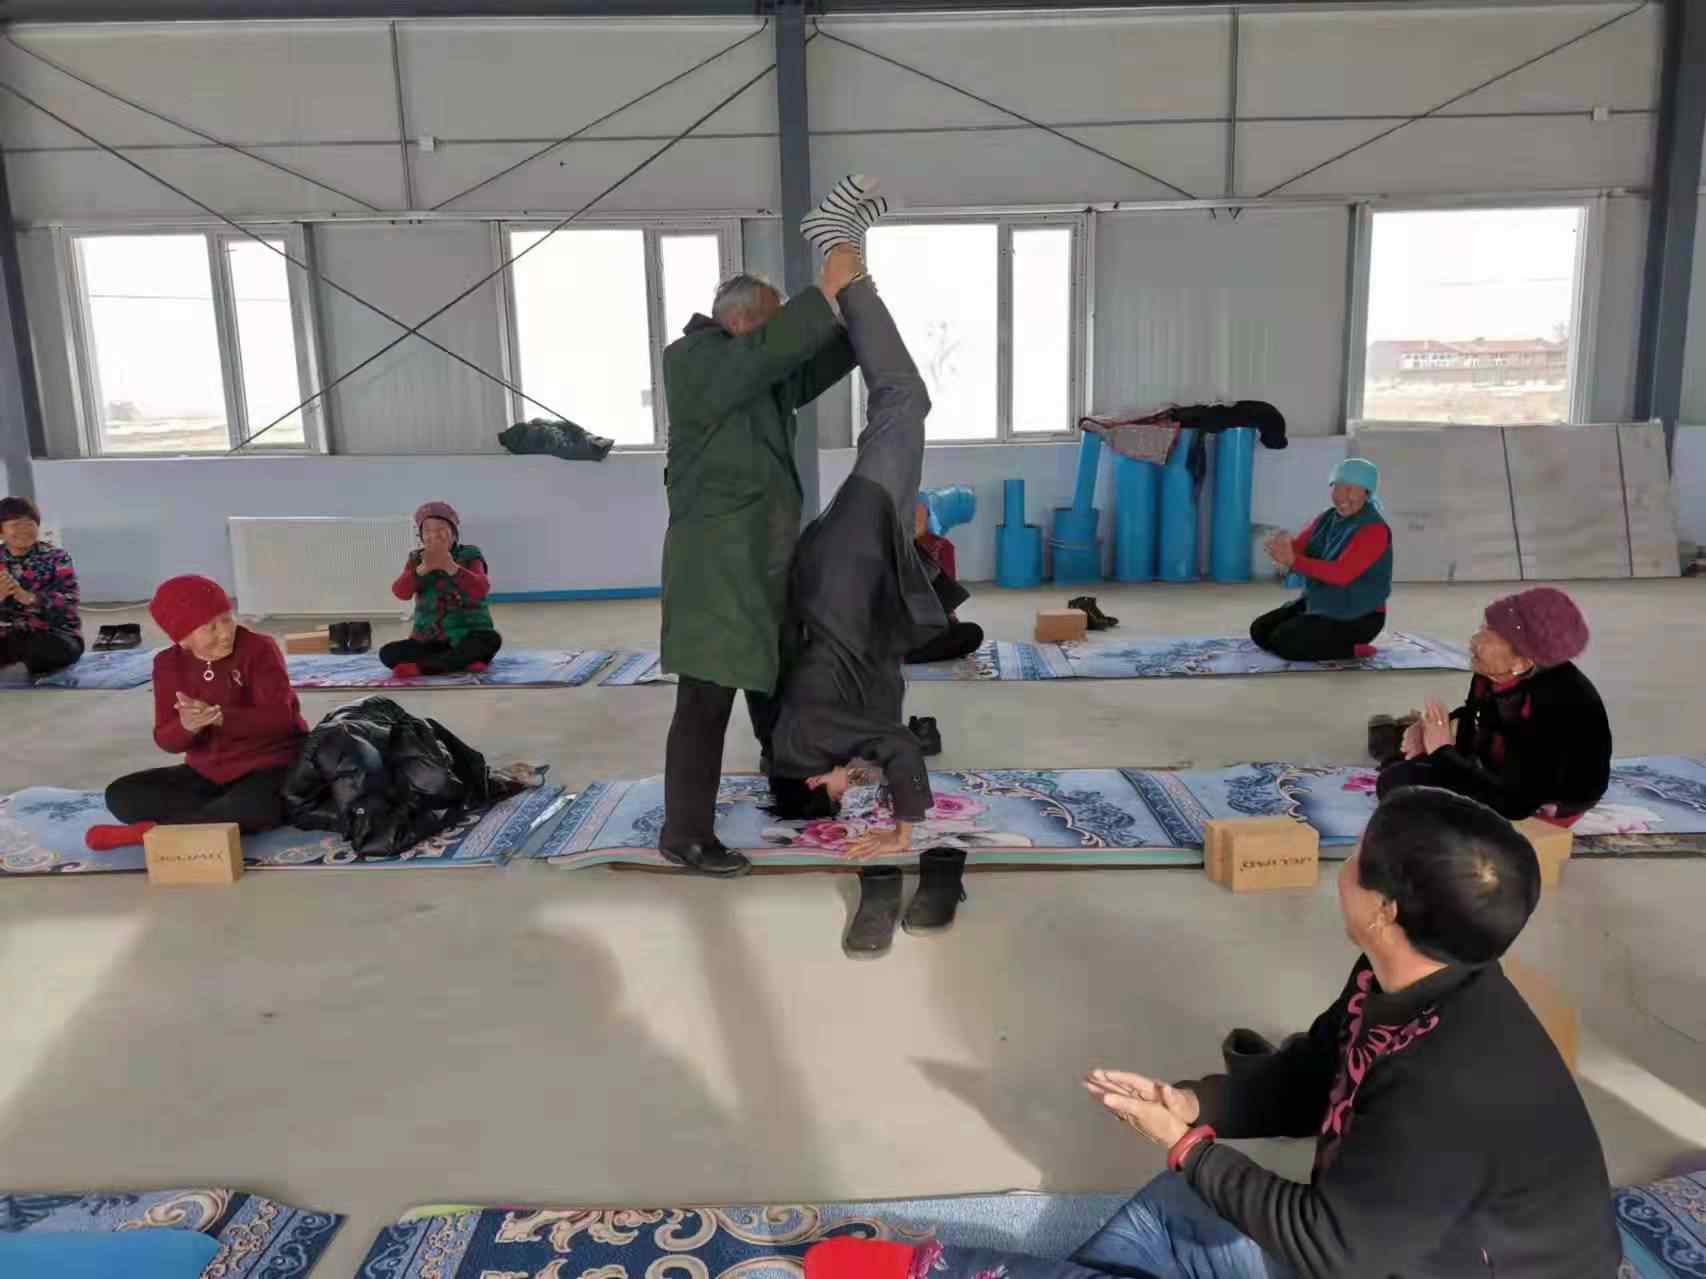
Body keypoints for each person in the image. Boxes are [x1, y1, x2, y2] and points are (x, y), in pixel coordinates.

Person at [1068, 785, 1618, 1279]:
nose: (1345, 865)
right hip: (1388, 1243)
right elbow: (1315, 1074)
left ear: (1384, 911)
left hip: (1396, 1260)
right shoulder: (1414, 972)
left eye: (1357, 856)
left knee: (1170, 1219)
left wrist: (1187, 1147)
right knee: (1170, 1210)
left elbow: (1331, 1248)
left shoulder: (1446, 1079)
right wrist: (1192, 1103)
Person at [656, 177, 875, 877]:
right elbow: (779, 352)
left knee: (777, 688)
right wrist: (826, 285)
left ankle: (794, 790)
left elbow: (813, 359)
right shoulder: (693, 363)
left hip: (763, 566)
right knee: (705, 702)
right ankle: (685, 833)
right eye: (773, 324)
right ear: (744, 323)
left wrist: (856, 295)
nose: (779, 338)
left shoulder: (754, 377)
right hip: (717, 573)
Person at [764, 192, 951, 865]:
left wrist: (904, 825)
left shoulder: (811, 739)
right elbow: (878, 738)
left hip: (846, 567)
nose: (852, 793)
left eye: (840, 794)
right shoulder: (805, 743)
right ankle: (849, 254)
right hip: (848, 576)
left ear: (814, 779)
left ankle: (843, 258)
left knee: (904, 401)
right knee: (900, 408)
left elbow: (898, 745)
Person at [86, 575, 308, 850]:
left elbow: (282, 721)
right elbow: (166, 740)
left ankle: (153, 835)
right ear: (182, 638)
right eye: (210, 628)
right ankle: (210, 819)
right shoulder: (167, 664)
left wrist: (222, 717)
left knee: (252, 807)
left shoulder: (259, 648)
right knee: (121, 795)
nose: (225, 633)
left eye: (227, 619)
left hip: (272, 766)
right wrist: (187, 726)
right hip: (207, 774)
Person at [1375, 587, 1611, 823]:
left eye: (1489, 635)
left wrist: (1441, 751)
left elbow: (1516, 804)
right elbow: (1477, 715)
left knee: (1398, 784)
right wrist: (1429, 729)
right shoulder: (1493, 674)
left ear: (1522, 661)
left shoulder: (1556, 705)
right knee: (1399, 765)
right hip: (1501, 771)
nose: (1474, 641)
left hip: (1535, 804)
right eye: (1482, 628)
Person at [1251, 457, 1392, 662]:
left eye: (1351, 489)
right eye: (1337, 488)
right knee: (1260, 631)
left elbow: (1342, 574)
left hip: (1359, 616)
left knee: (1285, 642)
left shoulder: (1374, 529)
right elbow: (1300, 546)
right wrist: (1282, 547)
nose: (1342, 496)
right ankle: (1318, 633)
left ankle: (1353, 648)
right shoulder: (1327, 517)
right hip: (1321, 602)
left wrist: (1294, 561)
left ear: (1367, 493)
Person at [380, 501, 501, 678]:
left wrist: (451, 566)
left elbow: (480, 589)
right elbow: (400, 592)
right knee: (388, 653)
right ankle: (461, 662)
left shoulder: (470, 554)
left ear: (454, 534)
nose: (434, 535)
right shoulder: (415, 559)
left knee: (490, 640)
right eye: (427, 530)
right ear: (421, 536)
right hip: (429, 640)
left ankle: (425, 668)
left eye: (441, 529)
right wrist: (422, 569)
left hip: (468, 636)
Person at [0, 495, 84, 678]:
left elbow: (70, 603)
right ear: (1, 531)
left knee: (42, 650)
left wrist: (32, 598)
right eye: (16, 525)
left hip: (52, 634)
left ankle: (25, 659)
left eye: (29, 524)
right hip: (7, 634)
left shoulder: (57, 557)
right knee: (14, 642)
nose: (24, 530)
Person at [903, 499, 981, 665]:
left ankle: (901, 653)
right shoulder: (898, 551)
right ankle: (903, 654)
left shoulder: (938, 547)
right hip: (895, 631)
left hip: (911, 631)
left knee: (972, 633)